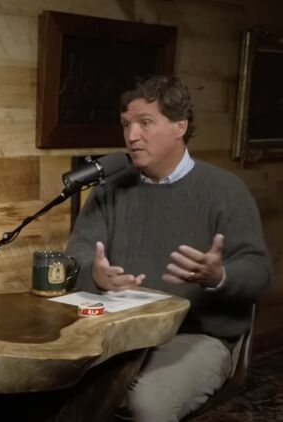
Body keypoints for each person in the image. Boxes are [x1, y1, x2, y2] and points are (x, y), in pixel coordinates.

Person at [65, 75, 269, 421]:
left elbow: (258, 273)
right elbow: (77, 257)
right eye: (126, 124)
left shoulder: (225, 190)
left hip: (196, 335)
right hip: (119, 331)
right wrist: (94, 274)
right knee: (53, 391)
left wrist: (218, 275)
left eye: (145, 123)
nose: (132, 136)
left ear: (180, 126)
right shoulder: (108, 189)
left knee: (148, 403)